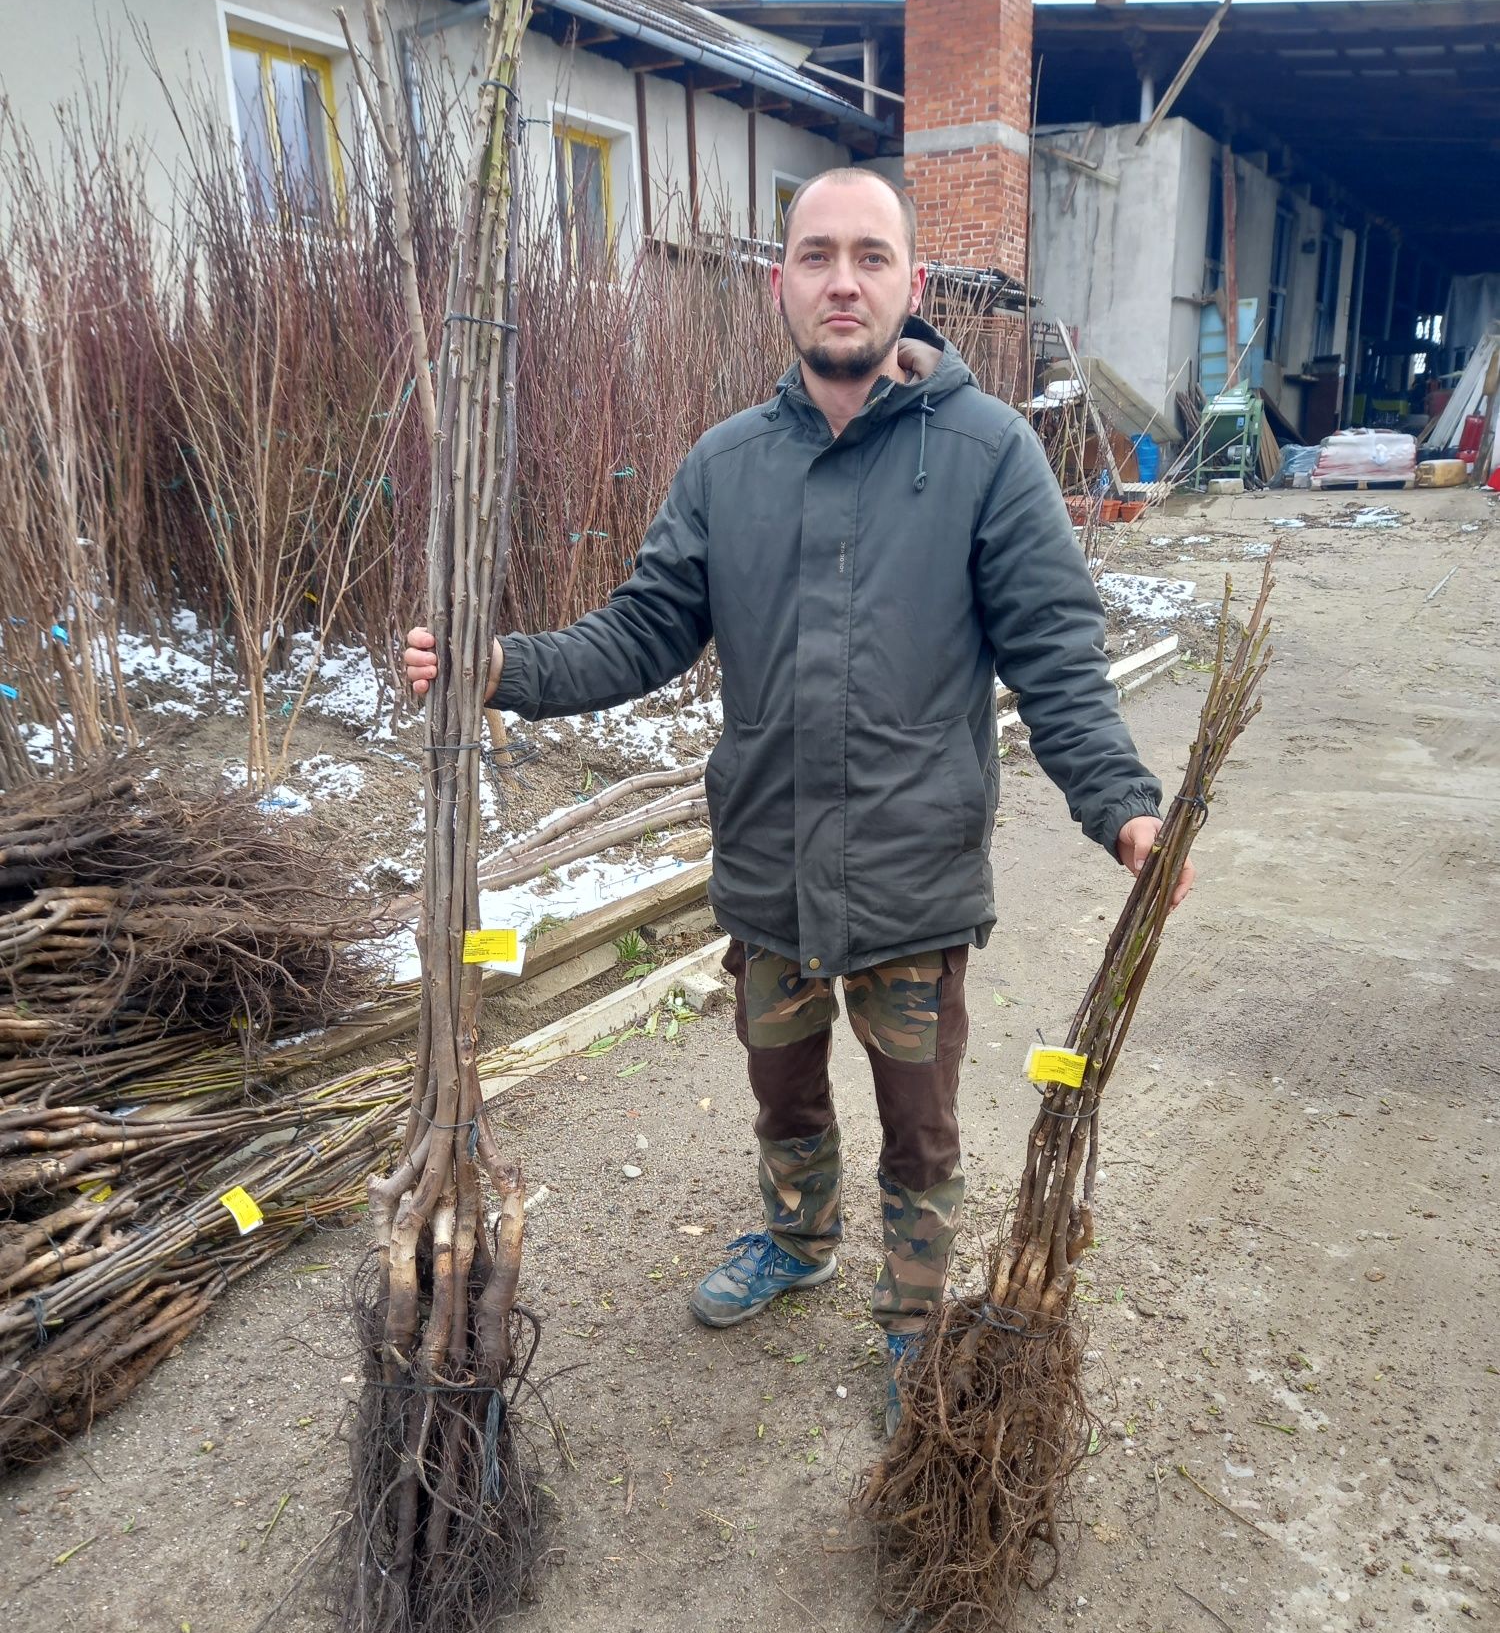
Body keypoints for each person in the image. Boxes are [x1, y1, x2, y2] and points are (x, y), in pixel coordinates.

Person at [405, 167, 1191, 1437]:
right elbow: (643, 630)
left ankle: (913, 1318)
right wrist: (503, 669)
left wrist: (1123, 805)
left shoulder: (989, 456)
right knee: (782, 1090)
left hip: (911, 875)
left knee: (921, 1124)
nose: (843, 279)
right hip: (769, 870)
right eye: (817, 254)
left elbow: (1056, 648)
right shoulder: (728, 465)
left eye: (870, 256)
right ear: (779, 280)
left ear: (912, 286)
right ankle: (800, 1236)